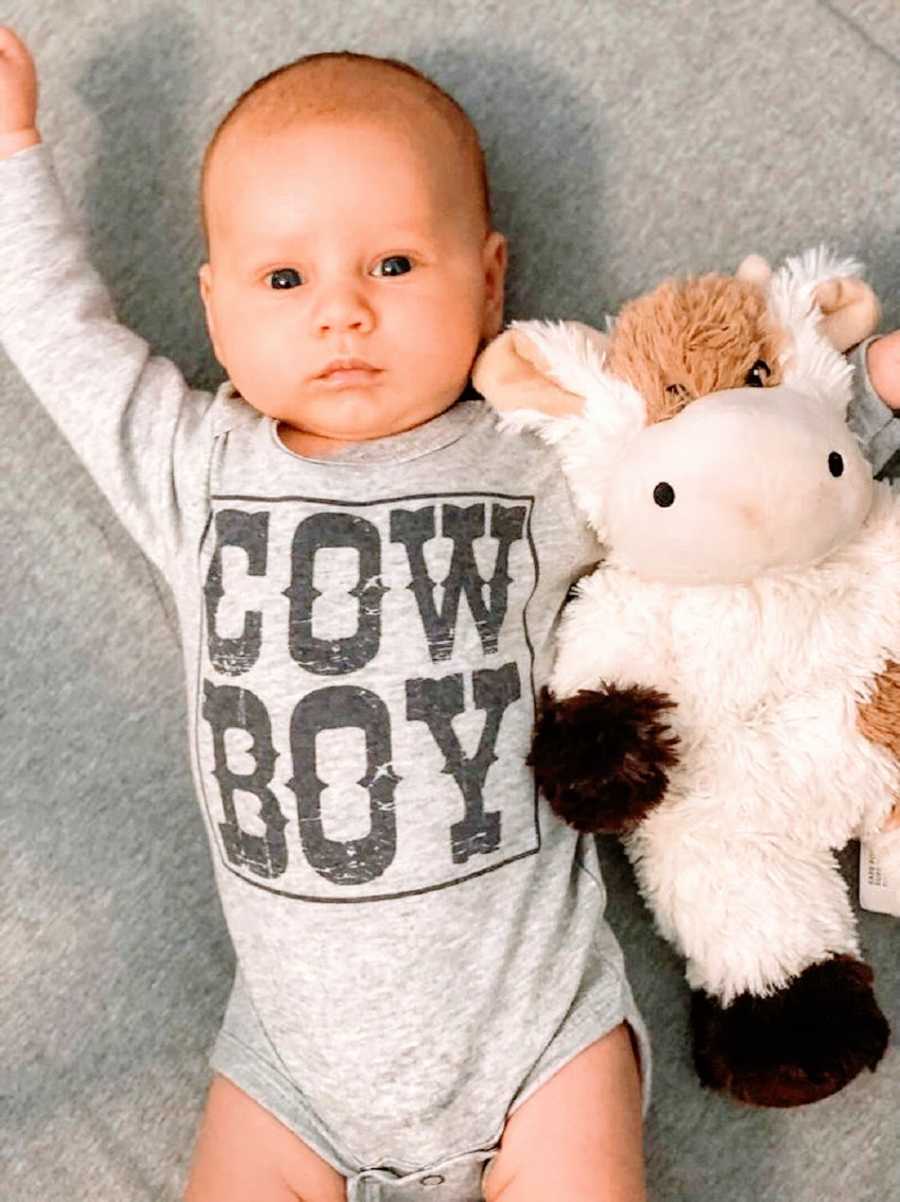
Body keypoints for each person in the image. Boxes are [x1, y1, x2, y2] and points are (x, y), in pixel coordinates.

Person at [1, 24, 899, 1202]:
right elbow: (57, 335)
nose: (342, 314)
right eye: (286, 279)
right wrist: (15, 148)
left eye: (392, 266)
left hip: (540, 1034)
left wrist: (871, 407)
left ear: (487, 280)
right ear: (214, 307)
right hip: (288, 1072)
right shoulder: (192, 466)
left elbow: (731, 489)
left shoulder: (543, 457)